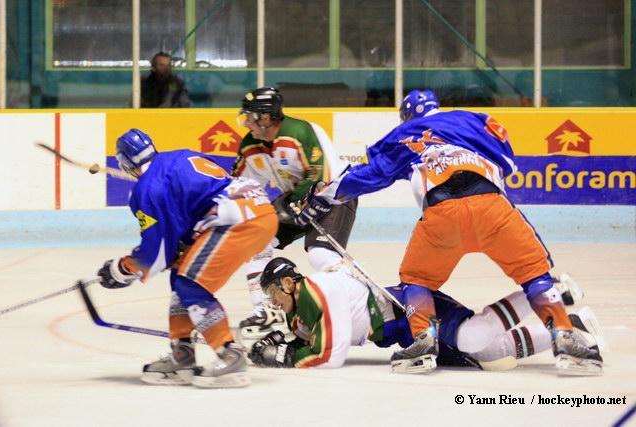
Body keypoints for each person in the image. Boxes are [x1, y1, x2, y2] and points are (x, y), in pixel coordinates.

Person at [296, 89, 603, 375]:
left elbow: (371, 175)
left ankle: (424, 344)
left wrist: (323, 198)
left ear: (407, 116)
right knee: (535, 273)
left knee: (416, 280)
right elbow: (508, 163)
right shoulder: (476, 120)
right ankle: (565, 338)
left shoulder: (406, 133)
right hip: (493, 208)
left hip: (442, 214)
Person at [95, 128, 278, 388]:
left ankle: (231, 356)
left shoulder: (148, 189)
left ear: (124, 163)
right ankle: (182, 355)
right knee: (182, 274)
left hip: (235, 219)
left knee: (191, 285)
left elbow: (156, 253)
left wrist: (121, 269)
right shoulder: (177, 157)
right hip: (256, 209)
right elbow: (185, 223)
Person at [247, 257, 602, 372]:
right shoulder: (302, 308)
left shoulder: (318, 291)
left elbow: (330, 354)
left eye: (274, 292)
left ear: (291, 283)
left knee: (473, 337)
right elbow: (320, 337)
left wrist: (288, 355)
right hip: (401, 331)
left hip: (410, 309)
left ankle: (548, 288)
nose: (273, 301)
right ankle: (579, 325)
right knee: (489, 353)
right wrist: (293, 340)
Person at [232, 87, 356, 336]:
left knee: (320, 254)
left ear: (265, 118)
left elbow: (323, 177)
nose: (246, 123)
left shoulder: (301, 132)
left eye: (250, 116)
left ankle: (353, 305)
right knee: (257, 243)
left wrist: (298, 202)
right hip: (296, 201)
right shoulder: (251, 146)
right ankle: (265, 312)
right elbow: (238, 186)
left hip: (334, 195)